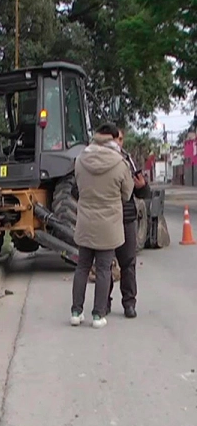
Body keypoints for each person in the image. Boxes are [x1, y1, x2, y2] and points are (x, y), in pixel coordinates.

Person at [71, 123, 134, 329]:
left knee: (82, 267)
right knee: (104, 269)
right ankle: (98, 315)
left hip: (86, 222)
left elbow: (77, 188)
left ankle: (76, 311)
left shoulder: (80, 160)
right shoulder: (120, 163)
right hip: (109, 225)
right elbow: (127, 193)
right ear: (114, 139)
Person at [108, 128, 151, 318]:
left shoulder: (128, 161)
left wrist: (143, 186)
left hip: (127, 218)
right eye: (115, 138)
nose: (118, 142)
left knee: (128, 263)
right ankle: (103, 302)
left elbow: (141, 193)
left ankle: (129, 304)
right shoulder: (95, 161)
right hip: (106, 219)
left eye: (121, 139)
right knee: (104, 264)